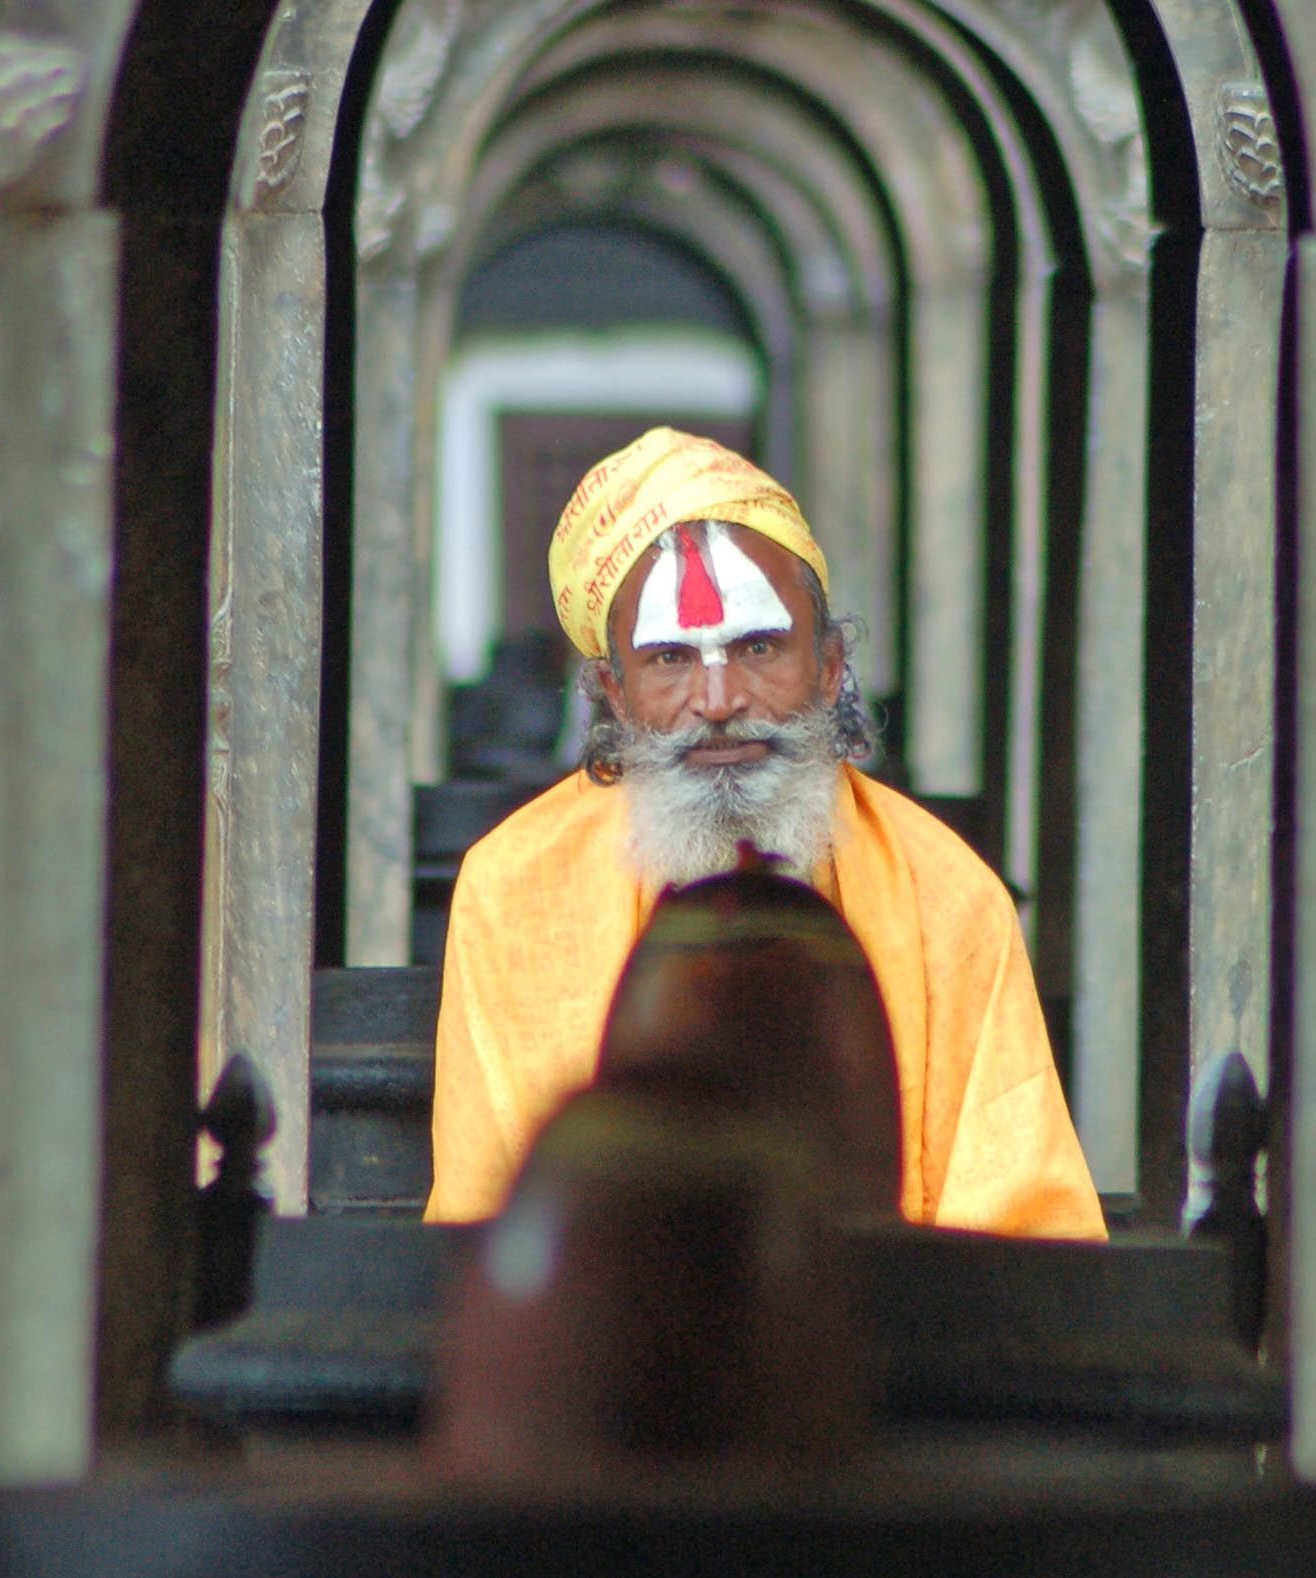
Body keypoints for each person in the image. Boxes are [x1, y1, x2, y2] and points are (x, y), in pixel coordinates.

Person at [424, 426, 1105, 1239]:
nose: (717, 699)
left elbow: (1019, 1235)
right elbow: (492, 1231)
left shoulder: (951, 897)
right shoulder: (512, 890)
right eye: (672, 658)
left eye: (756, 646)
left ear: (828, 666)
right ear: (613, 691)